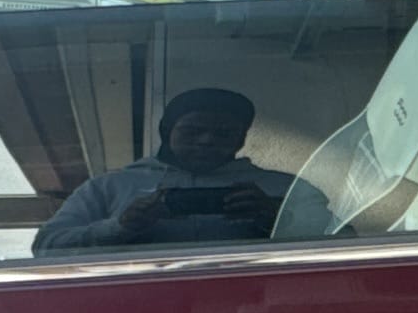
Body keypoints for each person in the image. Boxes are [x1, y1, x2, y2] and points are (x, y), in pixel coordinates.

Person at [32, 88, 306, 253]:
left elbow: (344, 244)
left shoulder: (287, 190)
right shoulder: (107, 187)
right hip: (142, 311)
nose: (207, 140)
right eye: (193, 130)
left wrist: (276, 218)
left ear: (241, 139)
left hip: (255, 310)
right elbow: (46, 249)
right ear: (167, 132)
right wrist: (120, 227)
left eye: (223, 133)